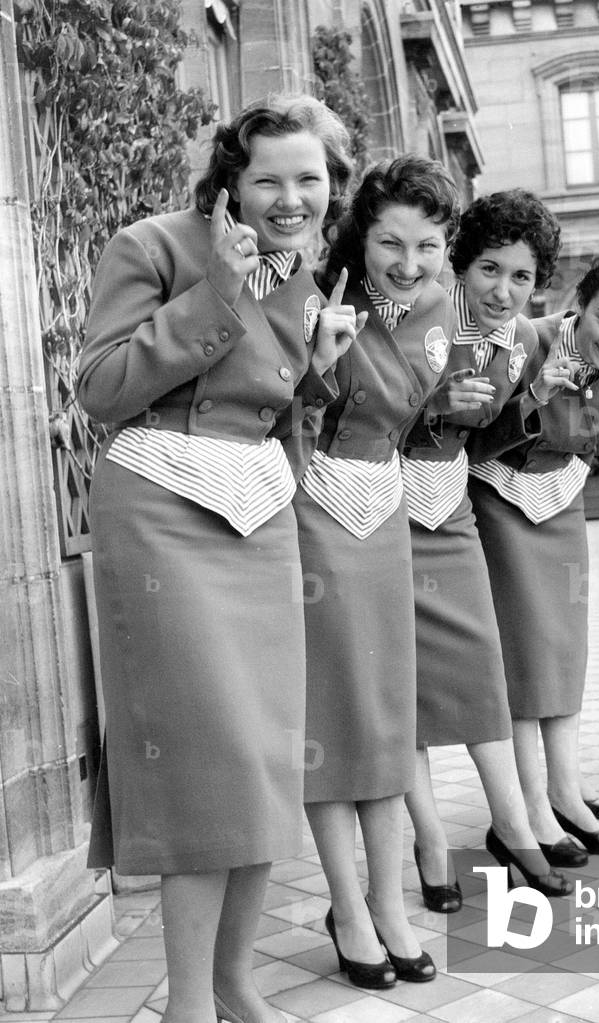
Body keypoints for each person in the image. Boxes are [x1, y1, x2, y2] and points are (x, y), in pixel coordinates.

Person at [78, 95, 355, 1023]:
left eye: (308, 179)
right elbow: (101, 391)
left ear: (331, 185)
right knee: (205, 768)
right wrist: (216, 297)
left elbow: (273, 414)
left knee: (264, 763)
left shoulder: (310, 279)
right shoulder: (151, 246)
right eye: (268, 178)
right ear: (230, 179)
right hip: (160, 508)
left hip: (259, 516)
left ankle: (237, 984)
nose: (289, 198)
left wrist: (318, 365)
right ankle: (187, 1006)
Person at [285, 155, 460, 989]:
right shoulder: (316, 292)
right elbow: (270, 407)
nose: (408, 261)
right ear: (361, 231)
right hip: (311, 502)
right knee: (333, 705)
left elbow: (425, 412)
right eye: (390, 241)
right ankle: (347, 906)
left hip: (383, 501)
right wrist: (317, 361)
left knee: (388, 708)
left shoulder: (439, 306)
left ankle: (390, 903)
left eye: (426, 244)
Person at [467, 250, 599, 862]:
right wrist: (534, 392)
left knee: (565, 649)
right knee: (522, 653)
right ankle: (529, 806)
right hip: (501, 497)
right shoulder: (527, 341)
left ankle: (565, 791)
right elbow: (477, 430)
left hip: (562, 502)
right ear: (578, 303)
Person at [401, 189, 574, 903]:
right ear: (458, 267)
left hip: (452, 507)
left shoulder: (527, 343)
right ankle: (431, 839)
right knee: (399, 685)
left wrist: (531, 405)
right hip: (377, 504)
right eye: (489, 270)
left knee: (481, 668)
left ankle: (512, 824)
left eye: (522, 277)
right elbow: (360, 418)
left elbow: (491, 442)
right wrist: (434, 408)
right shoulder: (418, 319)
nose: (504, 290)